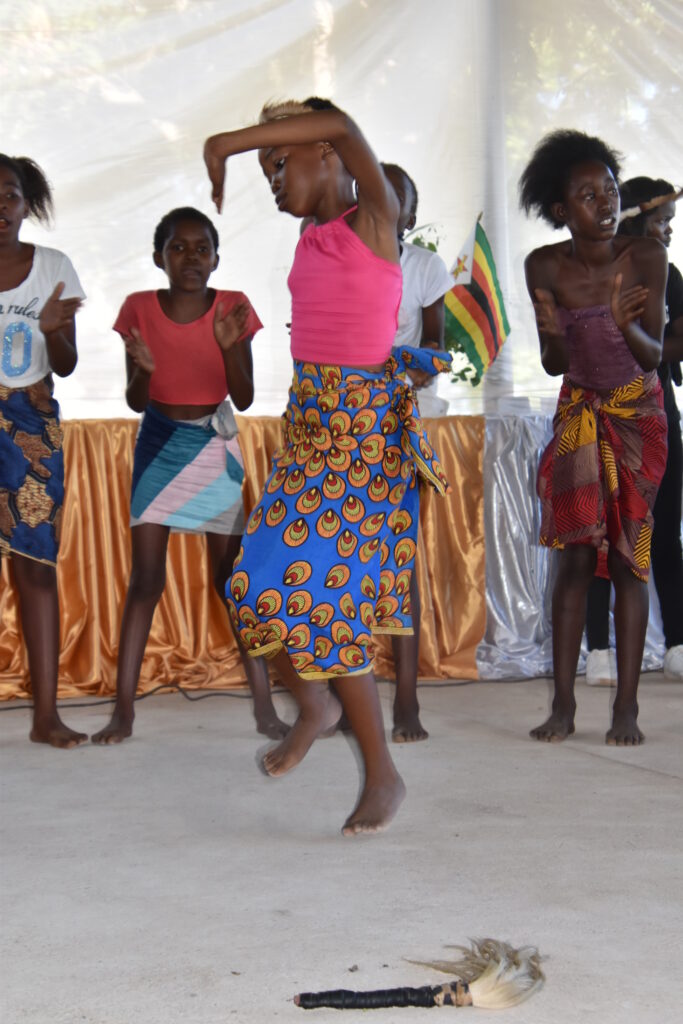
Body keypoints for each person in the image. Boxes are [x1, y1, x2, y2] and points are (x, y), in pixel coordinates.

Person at [203, 100, 452, 834]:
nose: (272, 180)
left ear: (328, 158)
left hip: (360, 434)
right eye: (263, 171)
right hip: (309, 425)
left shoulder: (371, 221)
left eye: (281, 161)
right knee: (250, 580)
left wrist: (229, 140)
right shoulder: (310, 236)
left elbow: (339, 122)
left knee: (326, 598)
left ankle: (382, 775)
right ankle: (315, 703)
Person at [91, 207, 287, 744]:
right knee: (146, 580)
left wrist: (229, 347)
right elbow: (135, 399)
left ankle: (265, 707)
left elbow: (243, 397)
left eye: (203, 248)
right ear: (159, 257)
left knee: (231, 583)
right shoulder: (137, 308)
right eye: (179, 247)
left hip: (212, 446)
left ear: (217, 258)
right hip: (158, 446)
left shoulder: (233, 307)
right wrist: (145, 372)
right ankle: (123, 711)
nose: (191, 258)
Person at [519, 130, 668, 745]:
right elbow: (555, 362)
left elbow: (653, 353)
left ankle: (626, 708)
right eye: (587, 195)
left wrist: (622, 320)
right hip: (579, 412)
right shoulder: (544, 266)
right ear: (561, 210)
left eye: (608, 190)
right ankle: (562, 705)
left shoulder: (647, 257)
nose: (604, 203)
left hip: (637, 414)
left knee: (632, 559)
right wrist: (554, 333)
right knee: (575, 558)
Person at [0, 154, 87, 747]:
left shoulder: (53, 266)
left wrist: (54, 330)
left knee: (35, 566)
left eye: (8, 193)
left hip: (31, 424)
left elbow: (67, 364)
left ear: (26, 202)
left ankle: (46, 715)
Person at [584, 178, 683, 684]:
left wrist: (640, 342)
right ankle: (599, 651)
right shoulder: (597, 274)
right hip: (602, 417)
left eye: (670, 223)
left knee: (664, 530)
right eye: (660, 222)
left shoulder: (671, 275)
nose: (667, 232)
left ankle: (677, 643)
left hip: (657, 418)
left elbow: (673, 345)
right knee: (602, 536)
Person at [382, 162, 453, 741]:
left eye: (394, 198)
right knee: (338, 555)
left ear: (409, 212)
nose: (381, 206)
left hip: (396, 422)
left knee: (398, 556)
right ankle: (339, 692)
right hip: (336, 420)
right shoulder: (331, 254)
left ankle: (406, 696)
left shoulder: (422, 267)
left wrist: (393, 365)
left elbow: (434, 353)